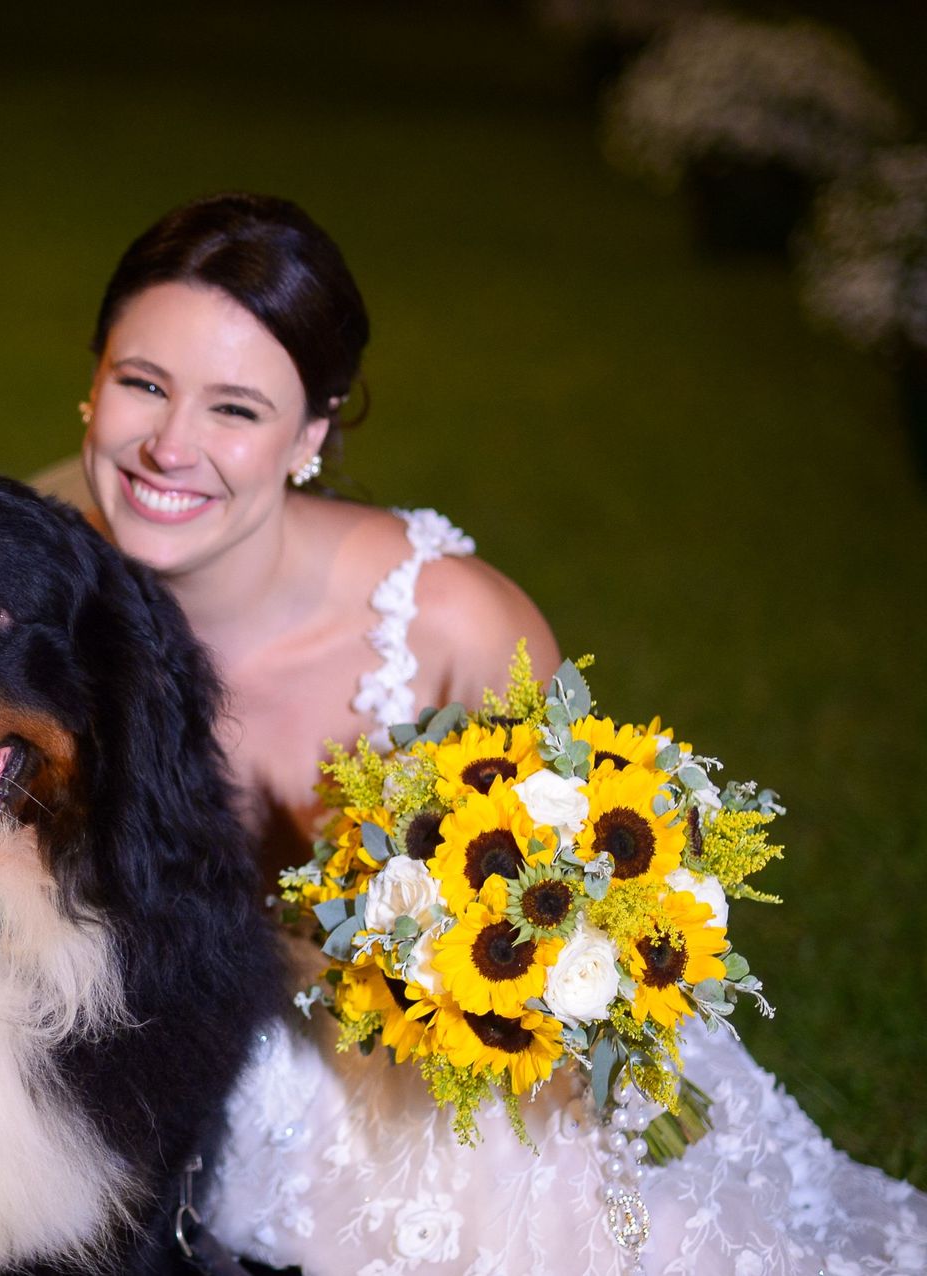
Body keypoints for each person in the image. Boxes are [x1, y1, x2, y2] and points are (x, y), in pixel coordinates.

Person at [61, 193, 927, 1274]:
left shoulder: (444, 623)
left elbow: (608, 889)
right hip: (178, 1057)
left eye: (236, 409)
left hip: (458, 1079)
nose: (170, 446)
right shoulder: (24, 595)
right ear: (92, 382)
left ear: (312, 435)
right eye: (143, 383)